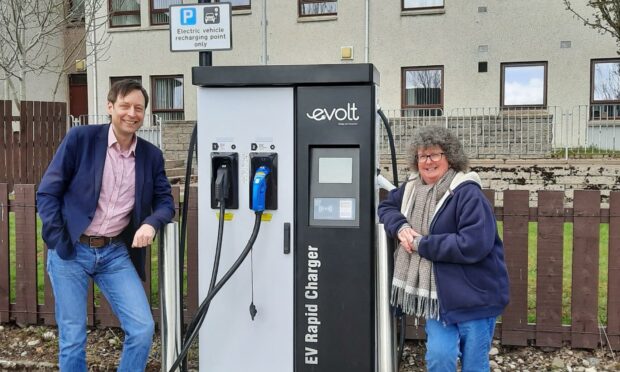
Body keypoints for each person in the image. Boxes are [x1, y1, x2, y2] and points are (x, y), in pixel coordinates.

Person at [37, 79, 175, 371]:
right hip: (72, 250)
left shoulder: (151, 156)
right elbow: (48, 192)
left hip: (114, 253)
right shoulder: (81, 139)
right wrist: (58, 240)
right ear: (110, 107)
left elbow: (165, 202)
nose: (132, 113)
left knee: (142, 328)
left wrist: (150, 224)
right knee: (73, 338)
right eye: (125, 106)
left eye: (138, 108)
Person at [378, 125, 509, 372]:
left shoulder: (468, 194)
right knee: (439, 358)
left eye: (435, 154)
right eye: (422, 156)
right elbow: (385, 208)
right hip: (437, 299)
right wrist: (401, 227)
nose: (428, 161)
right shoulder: (411, 190)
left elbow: (473, 245)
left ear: (450, 157)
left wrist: (421, 244)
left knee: (474, 366)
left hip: (475, 297)